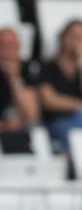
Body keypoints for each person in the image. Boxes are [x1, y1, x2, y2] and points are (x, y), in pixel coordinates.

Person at [38, 20, 82, 152]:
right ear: (63, 37)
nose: (76, 42)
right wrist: (79, 105)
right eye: (73, 36)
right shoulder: (48, 67)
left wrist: (80, 61)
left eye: (80, 38)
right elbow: (49, 101)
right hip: (57, 121)